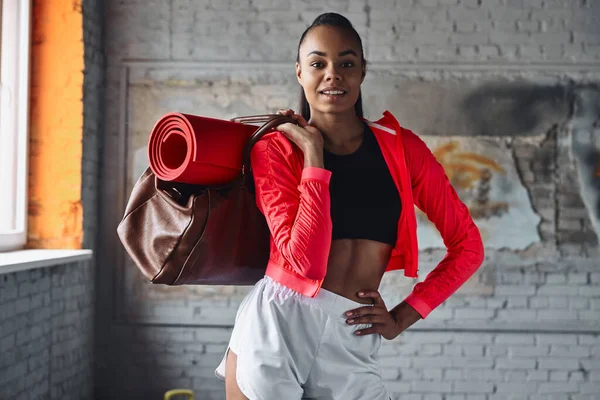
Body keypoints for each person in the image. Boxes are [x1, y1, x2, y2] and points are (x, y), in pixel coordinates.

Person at [215, 12, 484, 400]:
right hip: (277, 325)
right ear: (299, 72)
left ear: (361, 71)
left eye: (346, 63)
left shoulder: (403, 148)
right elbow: (304, 263)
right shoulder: (275, 148)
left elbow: (468, 246)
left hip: (351, 332)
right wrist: (313, 155)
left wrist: (402, 317)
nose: (332, 74)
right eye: (317, 63)